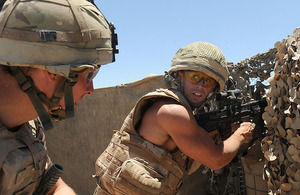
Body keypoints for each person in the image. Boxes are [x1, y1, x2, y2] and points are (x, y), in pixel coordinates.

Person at [93, 41, 255, 195]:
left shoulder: (172, 106)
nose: (200, 85)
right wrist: (242, 133)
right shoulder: (173, 111)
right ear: (180, 76)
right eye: (194, 76)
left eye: (209, 81)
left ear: (214, 88)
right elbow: (215, 160)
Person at [0, 0, 118, 194]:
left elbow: (53, 186)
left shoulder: (30, 123)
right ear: (53, 71)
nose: (91, 89)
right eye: (88, 75)